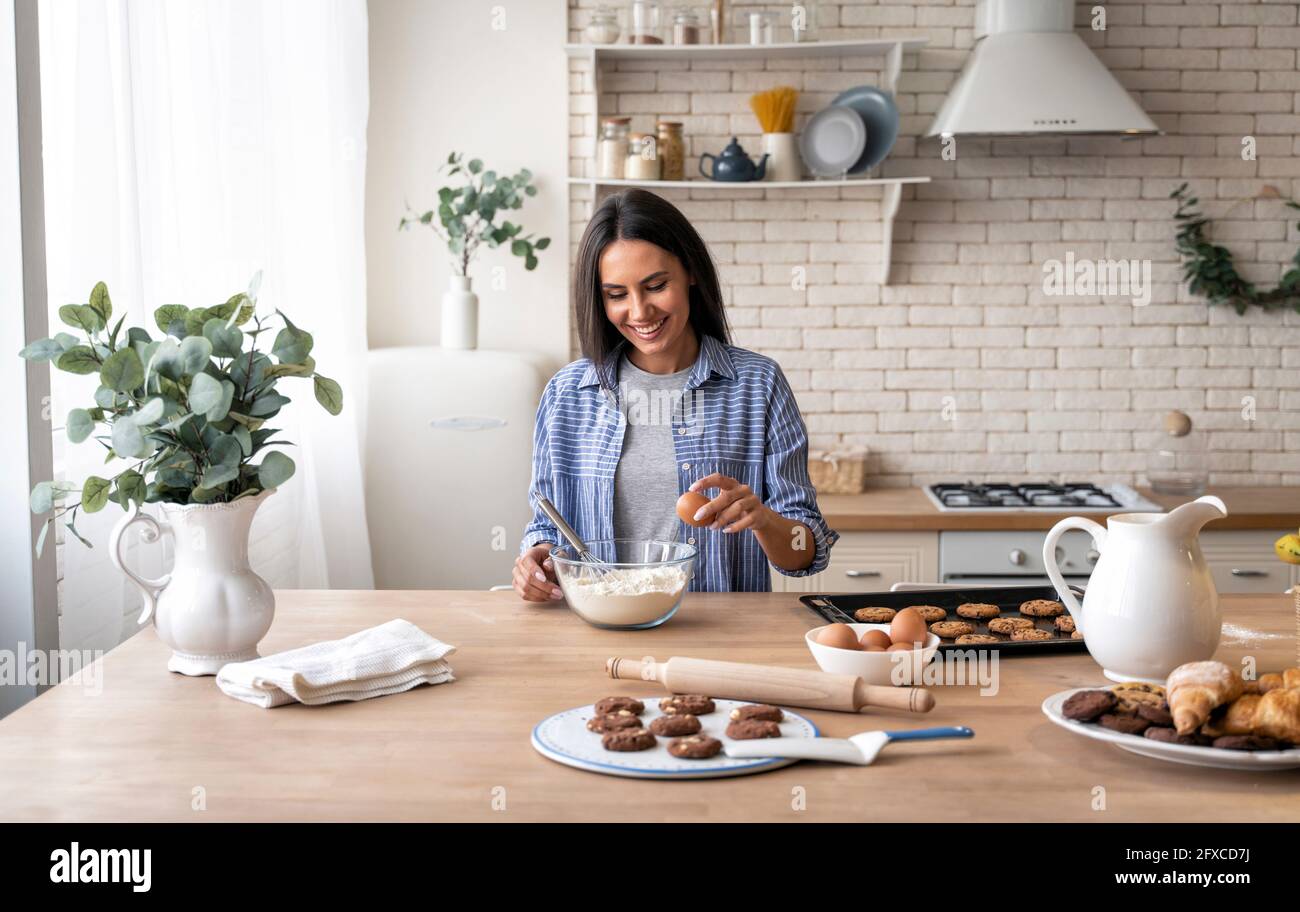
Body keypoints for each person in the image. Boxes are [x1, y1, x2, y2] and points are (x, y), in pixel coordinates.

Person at [513, 188, 837, 600]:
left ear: (690, 272)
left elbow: (805, 553)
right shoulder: (567, 394)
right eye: (616, 295)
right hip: (598, 631)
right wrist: (536, 559)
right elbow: (546, 526)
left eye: (655, 285)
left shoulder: (758, 385)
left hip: (723, 639)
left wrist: (762, 519)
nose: (639, 311)